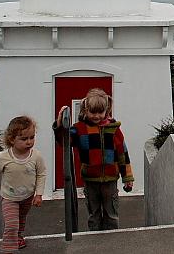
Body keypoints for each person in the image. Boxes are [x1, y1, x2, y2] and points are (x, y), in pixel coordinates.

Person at [55, 88, 134, 230]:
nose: (96, 116)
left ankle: (112, 238)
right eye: (92, 112)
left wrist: (127, 177)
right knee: (94, 214)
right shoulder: (79, 129)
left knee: (111, 213)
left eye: (100, 112)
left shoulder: (113, 129)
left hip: (110, 179)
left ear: (106, 110)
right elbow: (65, 141)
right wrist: (60, 125)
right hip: (90, 179)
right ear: (86, 110)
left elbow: (123, 154)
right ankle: (94, 238)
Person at [0, 116, 46, 252]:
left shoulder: (36, 156)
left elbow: (41, 174)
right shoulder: (4, 157)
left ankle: (18, 236)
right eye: (24, 139)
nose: (29, 142)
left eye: (32, 137)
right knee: (11, 224)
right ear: (12, 139)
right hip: (9, 197)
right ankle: (8, 249)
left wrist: (39, 194)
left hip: (27, 196)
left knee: (21, 219)